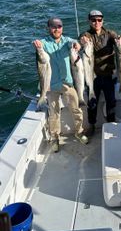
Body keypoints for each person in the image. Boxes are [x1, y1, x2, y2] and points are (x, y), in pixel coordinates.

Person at [33, 17, 88, 152]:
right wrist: (38, 47)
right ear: (49, 28)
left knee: (76, 109)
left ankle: (79, 131)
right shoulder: (45, 43)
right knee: (54, 113)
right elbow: (40, 54)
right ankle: (55, 137)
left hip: (67, 83)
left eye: (59, 26)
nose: (56, 29)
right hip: (51, 85)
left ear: (62, 28)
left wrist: (77, 45)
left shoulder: (66, 41)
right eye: (53, 26)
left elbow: (74, 43)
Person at [80, 10, 121, 136]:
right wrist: (82, 42)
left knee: (111, 102)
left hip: (109, 75)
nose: (96, 22)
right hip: (92, 77)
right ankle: (92, 125)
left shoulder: (110, 33)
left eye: (99, 20)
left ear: (102, 21)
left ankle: (111, 124)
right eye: (93, 20)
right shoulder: (87, 35)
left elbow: (118, 40)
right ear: (89, 21)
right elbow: (82, 39)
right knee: (92, 103)